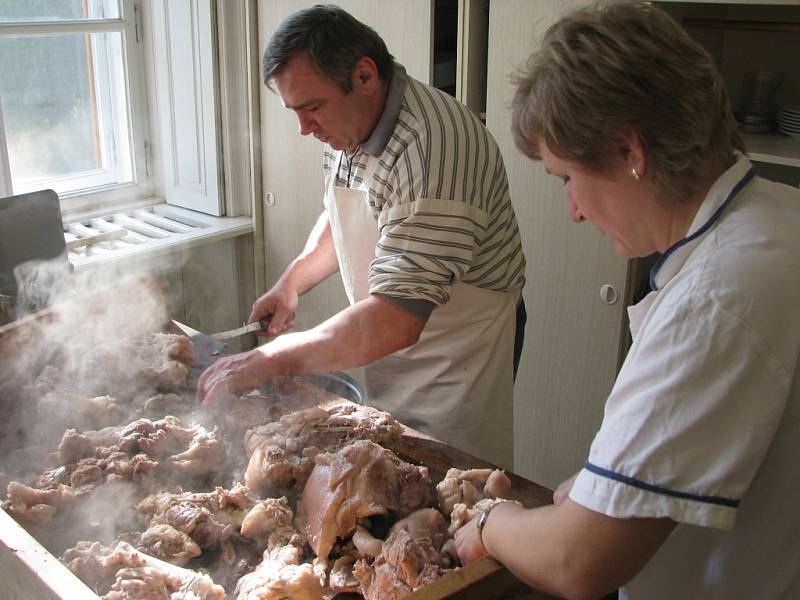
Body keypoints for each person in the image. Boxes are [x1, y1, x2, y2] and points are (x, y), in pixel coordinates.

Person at [454, 2, 800, 599]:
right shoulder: (776, 211)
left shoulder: (712, 301)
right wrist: (604, 491)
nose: (575, 210)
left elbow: (577, 563)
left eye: (567, 178)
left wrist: (490, 523)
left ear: (627, 151)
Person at [197, 4, 526, 469]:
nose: (304, 128)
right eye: (295, 110)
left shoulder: (432, 148)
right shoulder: (350, 127)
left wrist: (274, 357)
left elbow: (398, 318)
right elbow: (347, 211)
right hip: (393, 330)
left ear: (365, 76)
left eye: (312, 108)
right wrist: (294, 280)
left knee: (452, 483)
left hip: (456, 352)